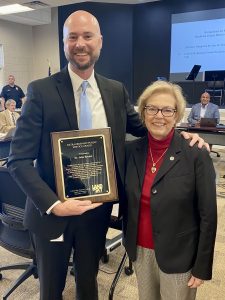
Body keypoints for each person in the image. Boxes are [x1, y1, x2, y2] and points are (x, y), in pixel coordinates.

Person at [7, 10, 207, 300]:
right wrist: (54, 205)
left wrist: (184, 135)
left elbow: (146, 128)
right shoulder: (40, 91)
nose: (80, 43)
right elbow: (18, 161)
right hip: (53, 215)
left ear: (100, 42)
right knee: (51, 289)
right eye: (72, 37)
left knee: (89, 283)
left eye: (87, 36)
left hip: (96, 212)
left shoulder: (114, 91)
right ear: (63, 43)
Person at [123, 81, 217, 300]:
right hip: (140, 251)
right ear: (143, 113)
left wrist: (202, 265)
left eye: (167, 110)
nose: (159, 116)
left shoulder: (196, 153)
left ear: (177, 115)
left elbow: (208, 215)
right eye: (152, 108)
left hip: (180, 254)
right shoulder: (131, 151)